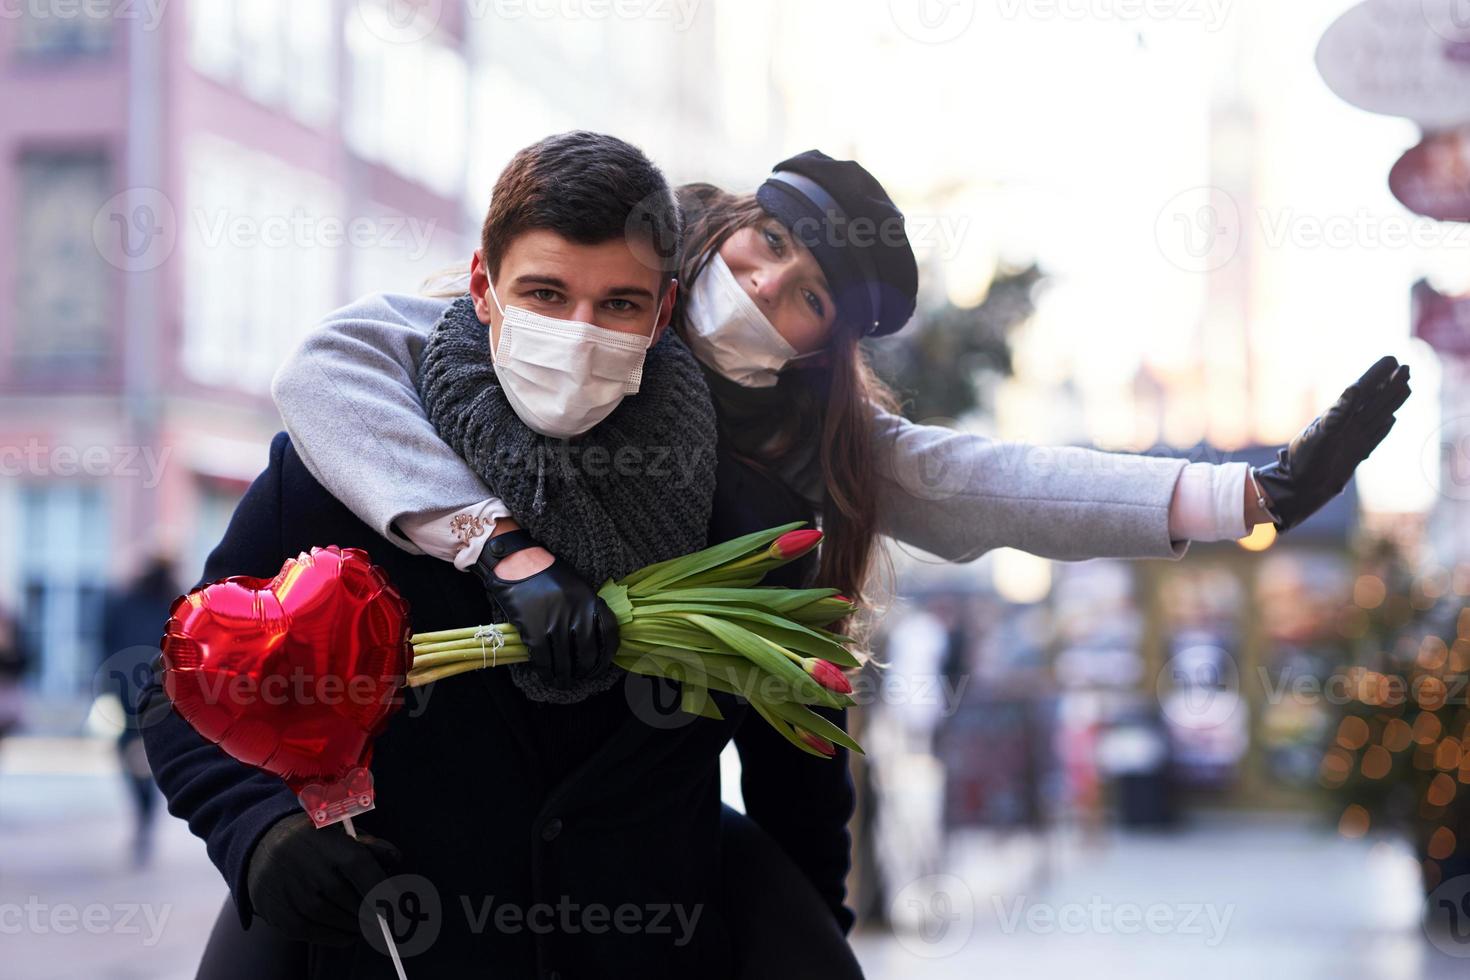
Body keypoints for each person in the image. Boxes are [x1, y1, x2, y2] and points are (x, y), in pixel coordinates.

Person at [141, 132, 861, 979]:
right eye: (546, 294)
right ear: (485, 287)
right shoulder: (345, 475)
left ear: (663, 313)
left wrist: (813, 938)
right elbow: (182, 683)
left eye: (619, 305)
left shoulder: (752, 532)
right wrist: (262, 833)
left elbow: (800, 801)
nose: (578, 334)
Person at [100, 554, 179, 866]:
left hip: (140, 690)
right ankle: (144, 812)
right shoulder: (171, 602)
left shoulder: (137, 602)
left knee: (137, 755)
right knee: (145, 755)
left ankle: (144, 812)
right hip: (151, 691)